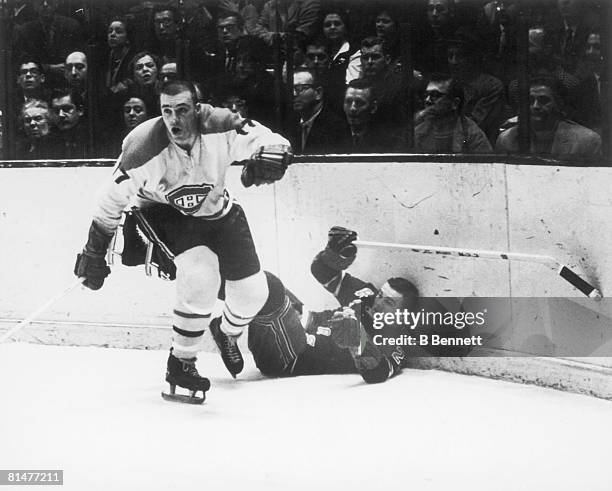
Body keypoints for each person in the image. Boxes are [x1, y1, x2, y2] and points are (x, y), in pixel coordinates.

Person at [73, 80, 292, 403]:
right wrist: (94, 252)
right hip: (164, 213)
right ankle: (181, 361)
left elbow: (267, 138)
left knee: (253, 293)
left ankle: (226, 333)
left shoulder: (221, 123)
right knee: (201, 272)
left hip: (217, 210)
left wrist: (273, 152)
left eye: (183, 110)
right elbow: (108, 200)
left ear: (199, 108)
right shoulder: (142, 147)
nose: (174, 120)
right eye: (166, 111)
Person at [244, 226, 420, 384]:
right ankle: (226, 327)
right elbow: (320, 270)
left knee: (268, 284)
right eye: (381, 295)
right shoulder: (367, 295)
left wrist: (357, 341)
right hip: (295, 322)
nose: (378, 303)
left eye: (388, 302)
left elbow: (378, 373)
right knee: (251, 278)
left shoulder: (396, 342)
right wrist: (336, 253)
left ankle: (228, 326)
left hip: (292, 355)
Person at [496, 75, 601, 156]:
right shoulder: (507, 139)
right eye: (530, 100)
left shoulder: (586, 141)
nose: (535, 106)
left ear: (559, 104)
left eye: (544, 100)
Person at [414, 74, 492, 153]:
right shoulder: (418, 134)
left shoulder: (472, 135)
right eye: (426, 95)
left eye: (435, 95)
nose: (427, 100)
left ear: (455, 103)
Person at [291, 68, 346, 154]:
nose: (293, 94)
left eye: (299, 89)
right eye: (291, 88)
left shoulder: (336, 127)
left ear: (318, 93)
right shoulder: (290, 123)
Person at [50, 89, 88, 159]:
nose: (61, 115)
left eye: (66, 109)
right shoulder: (48, 143)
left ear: (80, 110)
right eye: (56, 110)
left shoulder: (93, 140)